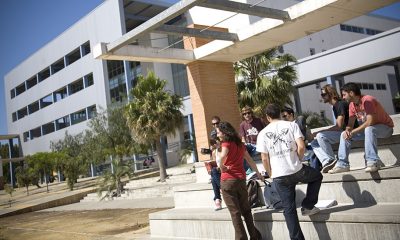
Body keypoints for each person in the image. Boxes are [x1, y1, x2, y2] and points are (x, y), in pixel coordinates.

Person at [256, 104, 323, 240]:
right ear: (280, 114)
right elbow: (302, 146)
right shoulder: (291, 125)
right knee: (316, 176)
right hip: (296, 170)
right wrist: (298, 158)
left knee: (289, 209)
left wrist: (271, 173)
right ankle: (308, 205)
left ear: (268, 117)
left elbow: (264, 158)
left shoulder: (262, 133)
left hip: (279, 176)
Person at [329, 82, 394, 174]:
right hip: (368, 131)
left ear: (351, 93)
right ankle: (343, 164)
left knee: (369, 129)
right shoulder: (352, 105)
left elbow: (370, 122)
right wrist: (348, 130)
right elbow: (350, 124)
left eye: (344, 95)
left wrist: (353, 131)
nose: (343, 97)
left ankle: (372, 162)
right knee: (344, 134)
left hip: (385, 129)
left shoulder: (367, 100)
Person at [216, 121, 264, 240]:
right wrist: (258, 174)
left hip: (228, 181)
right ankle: (254, 236)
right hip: (241, 180)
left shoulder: (226, 144)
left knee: (235, 212)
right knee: (246, 210)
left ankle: (241, 238)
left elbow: (222, 157)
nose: (217, 134)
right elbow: (250, 160)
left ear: (224, 132)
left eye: (218, 132)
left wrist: (221, 167)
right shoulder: (240, 144)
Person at [310, 84, 359, 173]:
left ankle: (332, 159)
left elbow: (338, 126)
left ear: (331, 94)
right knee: (314, 143)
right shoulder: (335, 106)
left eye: (324, 94)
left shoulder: (339, 104)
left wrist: (317, 132)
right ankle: (327, 161)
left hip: (353, 133)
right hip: (342, 133)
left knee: (320, 136)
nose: (322, 97)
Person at [209, 138, 222, 210]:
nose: (215, 144)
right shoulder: (214, 152)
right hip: (219, 172)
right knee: (213, 172)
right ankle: (221, 188)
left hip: (226, 169)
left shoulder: (225, 149)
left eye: (215, 142)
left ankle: (217, 199)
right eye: (213, 143)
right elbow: (214, 163)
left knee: (214, 178)